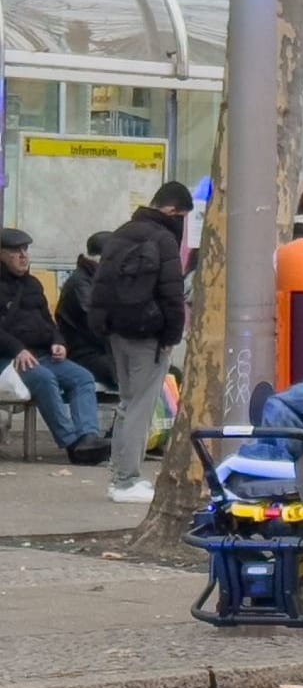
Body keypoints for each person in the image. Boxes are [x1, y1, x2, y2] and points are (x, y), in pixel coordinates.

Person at [90, 182, 193, 502]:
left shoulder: (121, 232)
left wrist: (101, 326)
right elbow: (172, 294)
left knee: (126, 403)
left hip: (117, 332)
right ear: (173, 211)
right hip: (148, 334)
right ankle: (127, 480)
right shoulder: (163, 240)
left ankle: (118, 474)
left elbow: (101, 286)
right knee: (140, 406)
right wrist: (172, 335)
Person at [0, 228, 109, 465]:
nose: (23, 256)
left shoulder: (33, 284)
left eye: (25, 250)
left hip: (42, 353)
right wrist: (18, 348)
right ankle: (71, 443)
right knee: (44, 379)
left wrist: (58, 342)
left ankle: (88, 437)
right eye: (15, 251)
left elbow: (49, 323)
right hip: (10, 358)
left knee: (82, 377)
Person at [56, 232, 116, 388]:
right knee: (134, 372)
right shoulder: (80, 284)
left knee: (168, 372)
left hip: (105, 351)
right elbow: (95, 324)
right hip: (85, 354)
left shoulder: (101, 279)